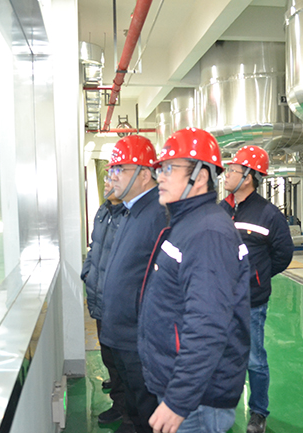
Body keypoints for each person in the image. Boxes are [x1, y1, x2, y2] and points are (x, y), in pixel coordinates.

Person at [138, 127, 251, 433]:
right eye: (160, 169)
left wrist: (178, 400)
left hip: (198, 402)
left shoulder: (208, 234)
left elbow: (207, 326)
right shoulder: (187, 224)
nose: (160, 177)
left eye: (169, 168)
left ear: (200, 177)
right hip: (185, 389)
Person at [220, 145, 294, 433]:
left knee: (254, 359)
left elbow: (283, 254)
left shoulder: (268, 214)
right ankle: (224, 405)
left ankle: (258, 412)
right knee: (224, 356)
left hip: (251, 300)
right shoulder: (222, 209)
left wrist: (259, 276)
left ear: (248, 177)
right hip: (221, 300)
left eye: (233, 170)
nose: (227, 174)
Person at [100, 135, 167, 433]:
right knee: (134, 409)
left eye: (120, 169)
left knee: (148, 411)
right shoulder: (129, 211)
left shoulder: (158, 215)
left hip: (139, 340)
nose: (112, 176)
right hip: (121, 335)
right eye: (111, 170)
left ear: (144, 174)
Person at [81, 174, 129, 427]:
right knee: (109, 355)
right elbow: (94, 247)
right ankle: (119, 398)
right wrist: (87, 273)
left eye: (113, 178)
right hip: (99, 297)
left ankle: (124, 409)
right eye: (106, 179)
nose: (107, 183)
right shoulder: (103, 211)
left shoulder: (130, 216)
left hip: (117, 301)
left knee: (122, 359)